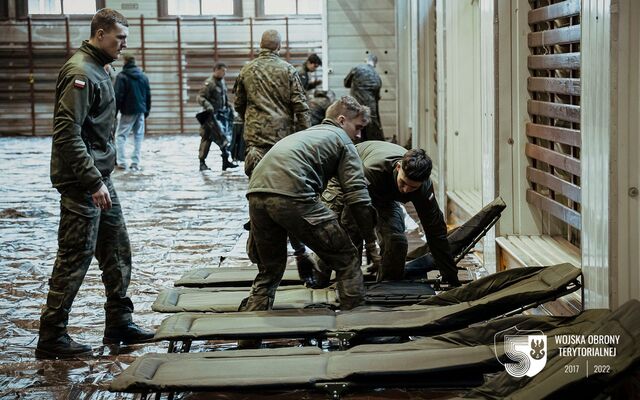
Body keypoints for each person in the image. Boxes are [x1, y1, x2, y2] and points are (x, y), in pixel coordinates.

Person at [36, 8, 153, 359]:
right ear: (100, 34)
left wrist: (101, 177)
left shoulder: (102, 66)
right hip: (82, 181)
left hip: (100, 177)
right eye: (119, 38)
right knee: (75, 256)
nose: (123, 44)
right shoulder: (79, 71)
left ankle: (119, 320)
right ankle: (52, 335)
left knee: (117, 250)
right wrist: (91, 182)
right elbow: (67, 134)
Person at [240, 96, 381, 323]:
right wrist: (372, 245)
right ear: (342, 120)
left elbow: (287, 215)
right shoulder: (342, 141)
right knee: (347, 258)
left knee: (269, 271)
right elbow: (358, 198)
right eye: (358, 127)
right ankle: (358, 329)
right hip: (291, 194)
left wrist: (300, 252)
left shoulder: (304, 135)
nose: (359, 135)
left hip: (256, 193)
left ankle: (247, 336)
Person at [233, 29, 315, 282]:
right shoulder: (288, 70)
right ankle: (301, 254)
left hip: (257, 148)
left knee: (258, 203)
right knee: (288, 201)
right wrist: (306, 141)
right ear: (279, 47)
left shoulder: (246, 70)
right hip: (285, 149)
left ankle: (262, 264)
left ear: (260, 45)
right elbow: (301, 108)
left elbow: (238, 104)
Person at [321, 141, 461, 286]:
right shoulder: (372, 170)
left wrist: (450, 276)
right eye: (403, 183)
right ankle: (320, 281)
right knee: (335, 232)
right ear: (398, 167)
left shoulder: (424, 188)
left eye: (413, 187)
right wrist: (369, 246)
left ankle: (388, 286)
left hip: (384, 194)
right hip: (348, 180)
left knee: (396, 241)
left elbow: (436, 232)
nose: (406, 190)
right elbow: (356, 212)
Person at [196, 62, 238, 171]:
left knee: (224, 138)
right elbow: (200, 97)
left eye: (225, 71)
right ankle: (202, 162)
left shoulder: (222, 82)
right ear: (216, 70)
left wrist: (229, 106)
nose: (224, 73)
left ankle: (225, 162)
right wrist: (208, 105)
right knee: (207, 139)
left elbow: (224, 97)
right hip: (210, 118)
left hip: (221, 116)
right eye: (222, 71)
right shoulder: (209, 83)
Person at [114, 53, 151, 171]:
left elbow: (118, 96)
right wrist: (146, 111)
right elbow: (148, 95)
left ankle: (121, 162)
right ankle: (135, 162)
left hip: (127, 111)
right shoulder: (143, 76)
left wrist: (114, 112)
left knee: (120, 136)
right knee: (138, 137)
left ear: (125, 62)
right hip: (140, 110)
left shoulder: (122, 76)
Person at [344, 54, 384, 141]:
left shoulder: (357, 68)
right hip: (371, 107)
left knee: (355, 125)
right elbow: (377, 97)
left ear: (366, 60)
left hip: (356, 105)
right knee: (371, 128)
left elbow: (346, 83)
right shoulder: (377, 77)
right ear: (375, 63)